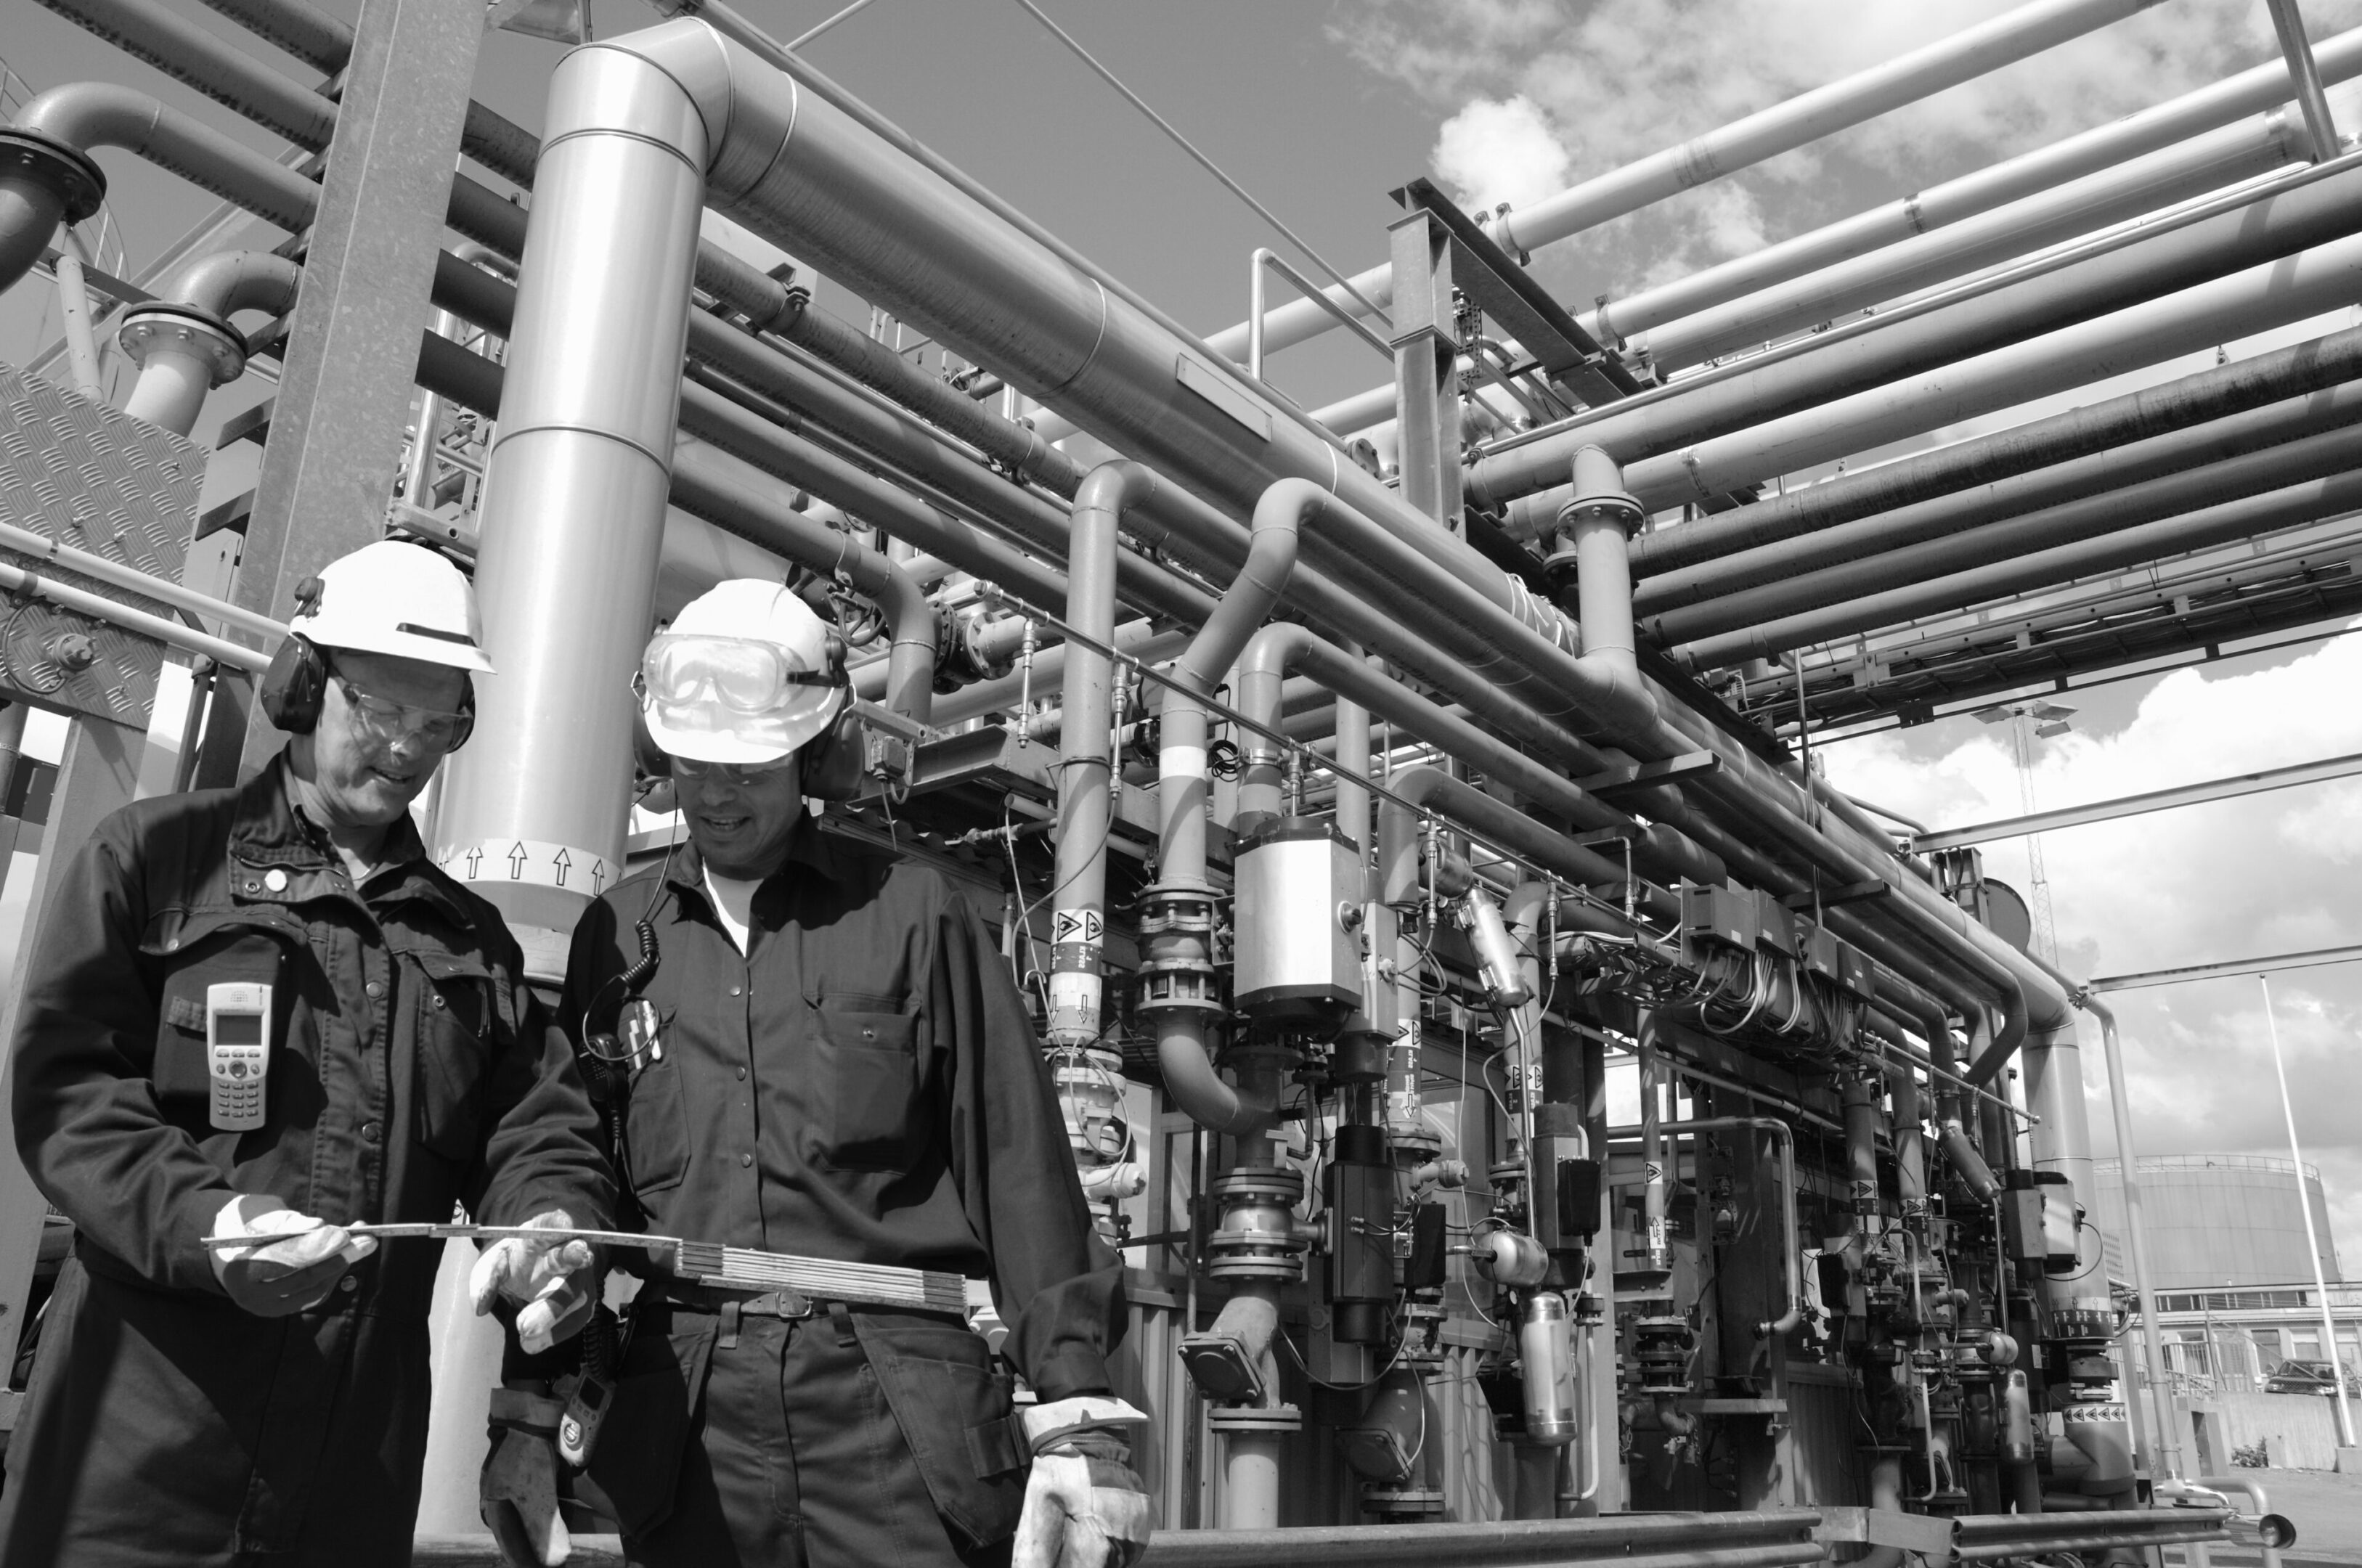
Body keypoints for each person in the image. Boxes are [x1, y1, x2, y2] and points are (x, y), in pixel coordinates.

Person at [0, 539, 614, 1567]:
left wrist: (548, 1225)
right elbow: (68, 1093)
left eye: (438, 723)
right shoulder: (156, 860)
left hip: (347, 1479)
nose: (407, 750)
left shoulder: (471, 942)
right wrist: (206, 1224)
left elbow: (533, 1126)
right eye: (379, 711)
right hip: (134, 1460)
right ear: (304, 687)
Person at [542, 579, 1147, 1568]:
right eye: (695, 764)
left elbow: (1016, 1161)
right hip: (690, 1421)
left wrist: (1076, 1410)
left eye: (750, 767)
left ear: (815, 756)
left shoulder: (912, 914)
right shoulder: (615, 933)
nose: (717, 794)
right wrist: (529, 1409)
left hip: (898, 1420)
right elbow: (573, 1163)